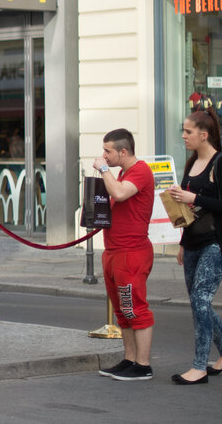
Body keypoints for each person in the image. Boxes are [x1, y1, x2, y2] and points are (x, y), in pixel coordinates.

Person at [166, 107, 222, 385]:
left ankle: (199, 367)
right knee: (200, 304)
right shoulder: (190, 163)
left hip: (216, 242)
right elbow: (188, 211)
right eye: (183, 131)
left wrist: (193, 195)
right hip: (193, 241)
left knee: (200, 301)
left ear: (204, 134)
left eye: (188, 131)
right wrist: (183, 244)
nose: (184, 136)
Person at [92, 128, 156, 381]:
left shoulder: (140, 170)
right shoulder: (122, 173)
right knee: (122, 310)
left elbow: (119, 193)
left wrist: (104, 171)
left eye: (108, 151)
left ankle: (143, 364)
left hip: (131, 252)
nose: (104, 156)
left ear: (123, 151)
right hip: (115, 250)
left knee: (135, 308)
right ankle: (130, 358)